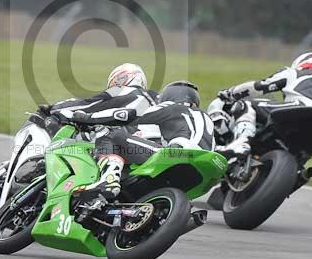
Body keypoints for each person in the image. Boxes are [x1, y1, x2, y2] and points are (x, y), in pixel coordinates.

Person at [68, 80, 214, 215]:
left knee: (111, 135)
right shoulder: (207, 118)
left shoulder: (173, 107)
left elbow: (130, 116)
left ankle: (109, 180)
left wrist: (87, 119)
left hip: (177, 153)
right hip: (204, 165)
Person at [216, 51, 312, 161]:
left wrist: (231, 93)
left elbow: (260, 86)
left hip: (300, 109)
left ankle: (242, 141)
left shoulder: (295, 72)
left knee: (246, 105)